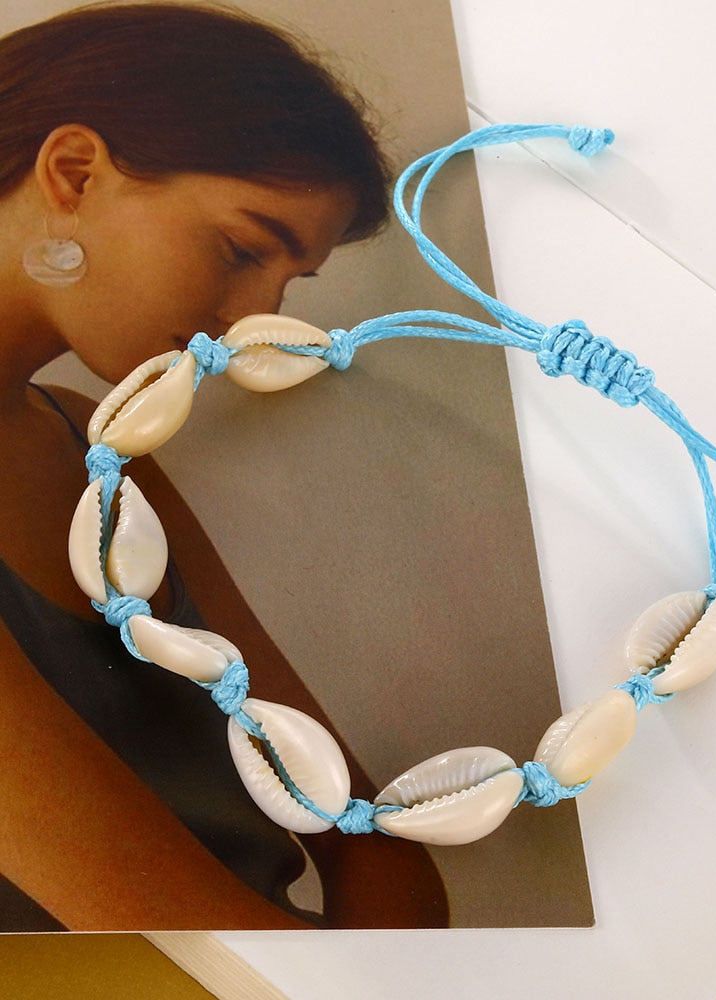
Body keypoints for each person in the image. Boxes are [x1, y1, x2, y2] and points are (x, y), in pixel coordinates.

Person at [0, 1, 448, 930]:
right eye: (243, 249)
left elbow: (356, 824)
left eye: (286, 283)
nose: (255, 320)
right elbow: (191, 948)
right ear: (74, 173)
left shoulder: (93, 446)